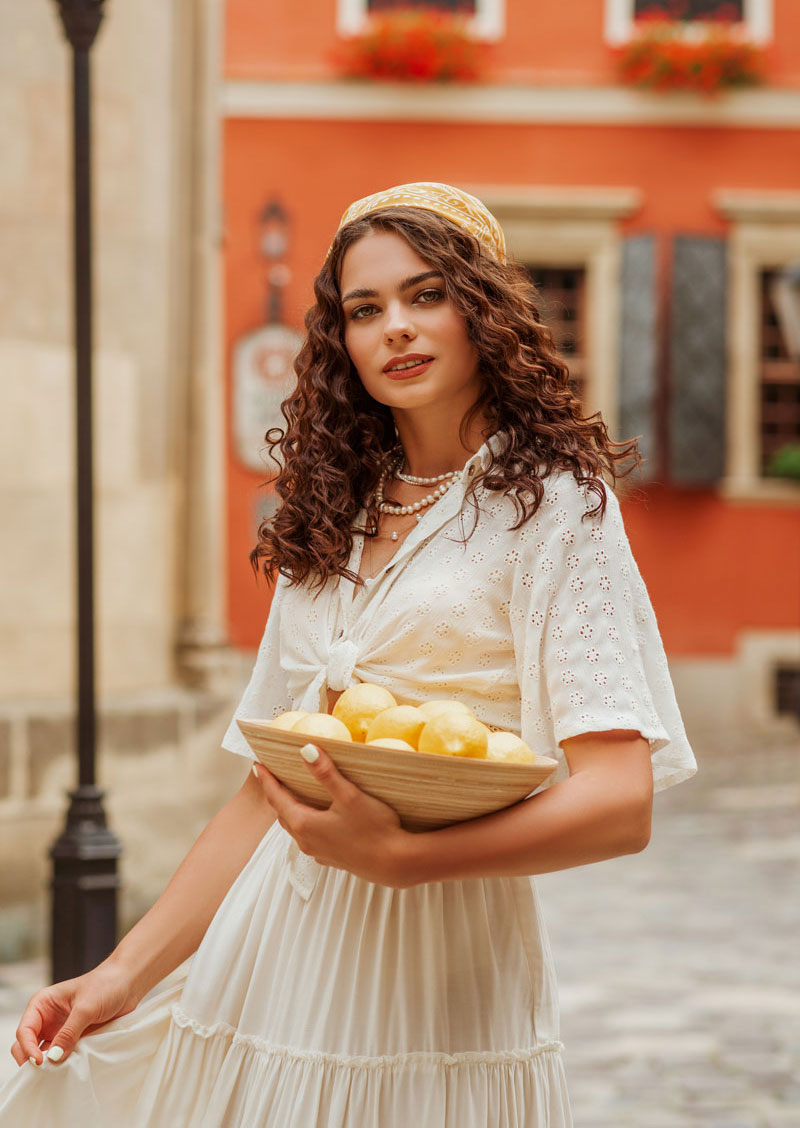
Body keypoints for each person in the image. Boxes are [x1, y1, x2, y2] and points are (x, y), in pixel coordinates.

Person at [1, 182, 697, 1126]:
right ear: (342, 344)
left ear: (482, 308)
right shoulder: (337, 510)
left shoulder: (557, 506)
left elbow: (620, 802)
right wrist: (119, 974)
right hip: (269, 946)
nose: (396, 330)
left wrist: (406, 860)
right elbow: (266, 787)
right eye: (365, 311)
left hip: (440, 968)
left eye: (425, 296)